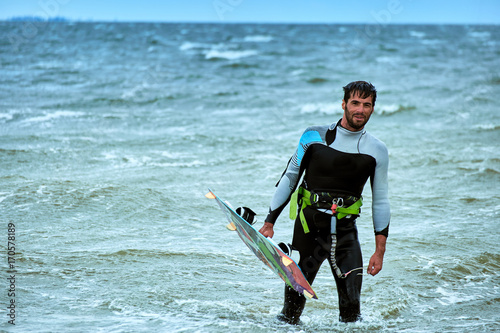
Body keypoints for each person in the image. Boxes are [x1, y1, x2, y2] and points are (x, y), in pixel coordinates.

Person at [259, 81, 390, 324]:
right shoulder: (314, 136)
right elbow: (290, 178)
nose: (360, 110)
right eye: (355, 103)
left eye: (366, 105)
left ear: (372, 109)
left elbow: (380, 201)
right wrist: (269, 222)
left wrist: (379, 251)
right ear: (343, 104)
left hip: (345, 233)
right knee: (291, 310)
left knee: (352, 312)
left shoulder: (377, 150)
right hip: (309, 230)